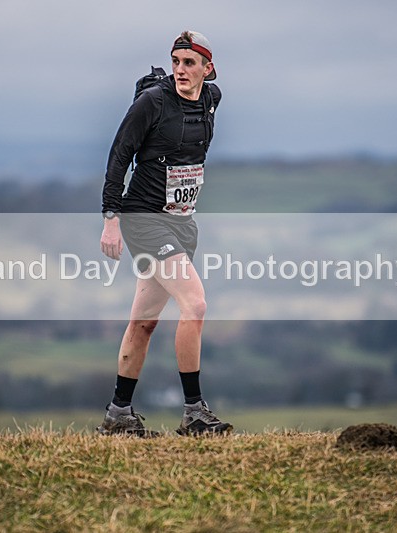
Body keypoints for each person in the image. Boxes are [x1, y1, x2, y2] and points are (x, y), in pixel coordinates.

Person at [98, 30, 232, 436]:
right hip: (144, 219)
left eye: (189, 63)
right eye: (175, 62)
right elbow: (119, 154)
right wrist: (110, 218)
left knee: (144, 322)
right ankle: (194, 412)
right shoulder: (152, 102)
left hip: (182, 222)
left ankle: (118, 415)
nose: (180, 70)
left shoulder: (212, 99)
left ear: (208, 68)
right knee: (195, 305)